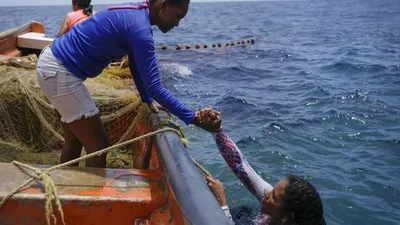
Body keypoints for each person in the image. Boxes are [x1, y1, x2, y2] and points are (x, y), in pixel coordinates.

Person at [36, 0, 221, 168]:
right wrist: (194, 119)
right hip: (59, 72)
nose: (177, 23)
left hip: (52, 63)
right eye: (178, 16)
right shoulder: (141, 31)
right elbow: (156, 87)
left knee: (75, 140)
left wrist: (146, 98)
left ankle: (66, 190)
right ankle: (91, 200)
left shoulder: (137, 12)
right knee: (99, 145)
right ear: (163, 5)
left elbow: (134, 64)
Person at [197, 109, 326, 225]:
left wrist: (222, 204)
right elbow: (239, 165)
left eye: (274, 197)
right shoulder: (276, 211)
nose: (266, 194)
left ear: (287, 216)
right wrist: (216, 131)